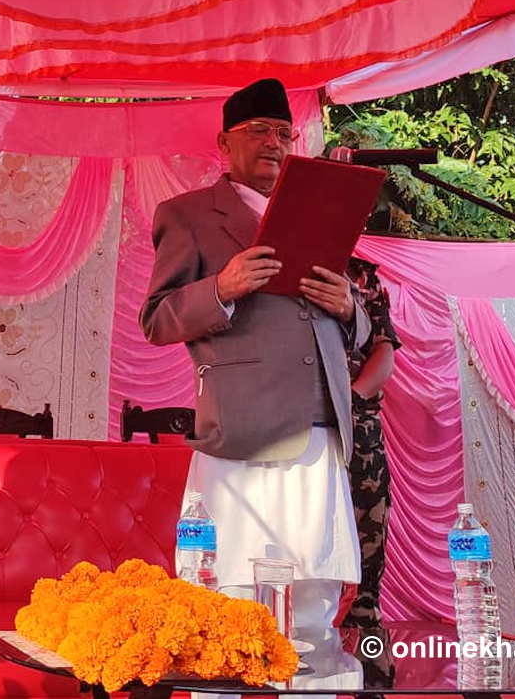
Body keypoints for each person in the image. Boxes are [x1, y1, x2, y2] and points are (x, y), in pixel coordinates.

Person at [140, 78, 369, 631]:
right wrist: (222, 286)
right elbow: (156, 319)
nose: (275, 142)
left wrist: (349, 308)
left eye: (285, 133)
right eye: (259, 130)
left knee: (313, 595)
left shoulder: (318, 211)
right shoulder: (189, 215)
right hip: (243, 429)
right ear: (225, 143)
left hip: (320, 427)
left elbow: (357, 328)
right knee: (227, 599)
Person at [341, 256, 401, 627]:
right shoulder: (277, 257)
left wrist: (351, 399)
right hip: (291, 425)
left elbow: (384, 349)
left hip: (357, 423)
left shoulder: (362, 274)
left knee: (368, 539)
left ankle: (367, 663)